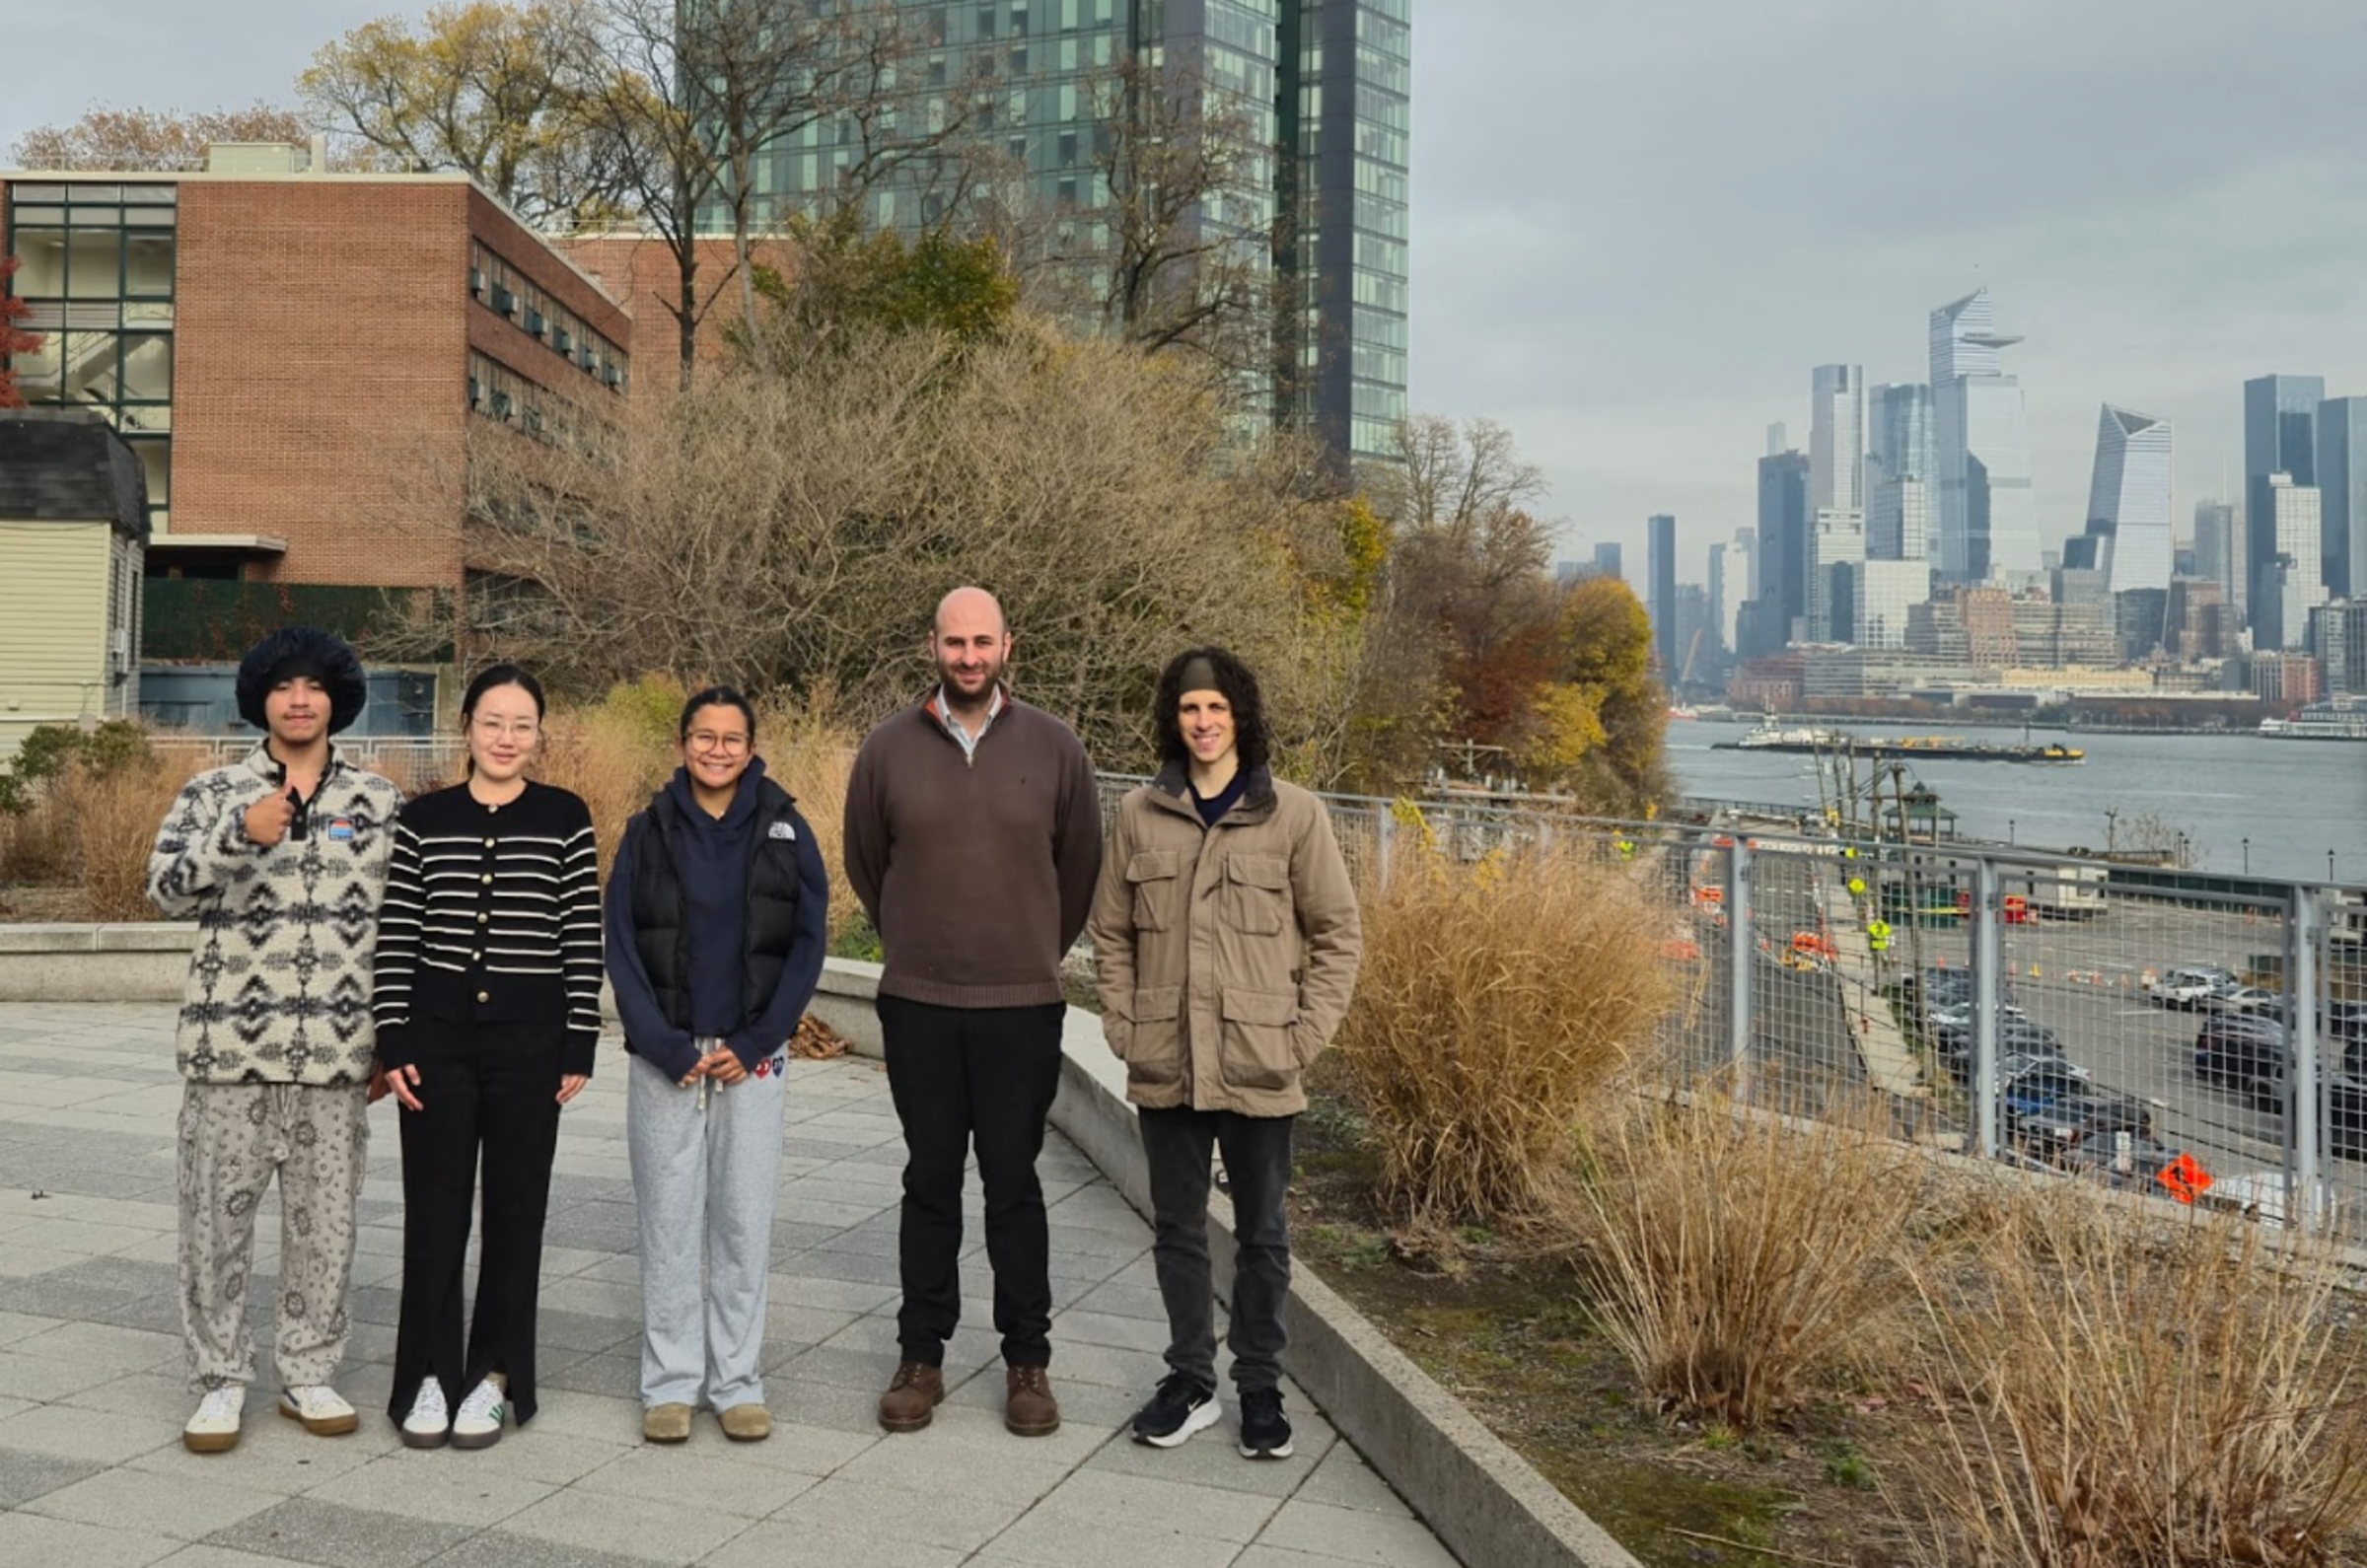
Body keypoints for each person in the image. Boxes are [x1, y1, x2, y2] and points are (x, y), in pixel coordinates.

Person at [1086, 647, 1361, 1460]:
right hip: (1166, 1061)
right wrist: (1125, 1028)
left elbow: (1340, 935)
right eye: (1188, 710)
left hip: (1261, 1064)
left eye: (1216, 708)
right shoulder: (1140, 813)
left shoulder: (1294, 815)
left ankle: (1259, 1386)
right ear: (1172, 720)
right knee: (1176, 1228)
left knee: (1264, 1234)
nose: (1203, 723)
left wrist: (1302, 1038)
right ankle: (1190, 1380)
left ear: (1240, 715)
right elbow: (1111, 933)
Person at [843, 586, 1103, 1438]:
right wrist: (917, 943)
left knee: (1015, 1186)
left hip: (1020, 1007)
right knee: (928, 1182)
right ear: (933, 647)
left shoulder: (1057, 749)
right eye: (954, 642)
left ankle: (1028, 1361)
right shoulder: (886, 749)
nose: (968, 656)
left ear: (1007, 646)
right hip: (919, 1004)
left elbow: (1077, 871)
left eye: (982, 641)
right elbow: (866, 864)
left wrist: (1026, 950)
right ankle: (922, 1357)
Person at [146, 626, 405, 1454]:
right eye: (284, 686)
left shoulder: (377, 802)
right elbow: (162, 892)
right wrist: (238, 835)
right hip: (228, 1057)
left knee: (324, 1225)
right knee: (213, 1225)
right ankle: (220, 1380)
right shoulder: (210, 792)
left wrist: (387, 1042)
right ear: (260, 697)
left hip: (336, 1057)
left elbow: (403, 930)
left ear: (337, 701)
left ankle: (307, 1370)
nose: (300, 699)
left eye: (315, 687)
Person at [372, 665, 603, 1450]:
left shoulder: (565, 818)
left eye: (522, 724)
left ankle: (495, 1374)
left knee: (514, 1212)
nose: (507, 738)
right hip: (435, 1044)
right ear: (467, 726)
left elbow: (581, 938)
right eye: (493, 721)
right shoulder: (424, 818)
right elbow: (398, 933)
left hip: (530, 1046)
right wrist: (392, 1038)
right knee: (434, 1213)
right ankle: (428, 1375)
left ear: (540, 735)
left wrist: (580, 1041)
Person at [608, 685, 828, 1445]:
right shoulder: (646, 831)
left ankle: (736, 1381)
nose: (718, 750)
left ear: (751, 746)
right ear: (682, 744)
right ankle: (670, 1383)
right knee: (668, 1219)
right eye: (704, 737)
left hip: (749, 1057)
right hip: (668, 1054)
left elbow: (807, 943)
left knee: (741, 1219)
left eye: (733, 739)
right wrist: (661, 1043)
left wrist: (761, 1038)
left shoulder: (786, 829)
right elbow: (621, 943)